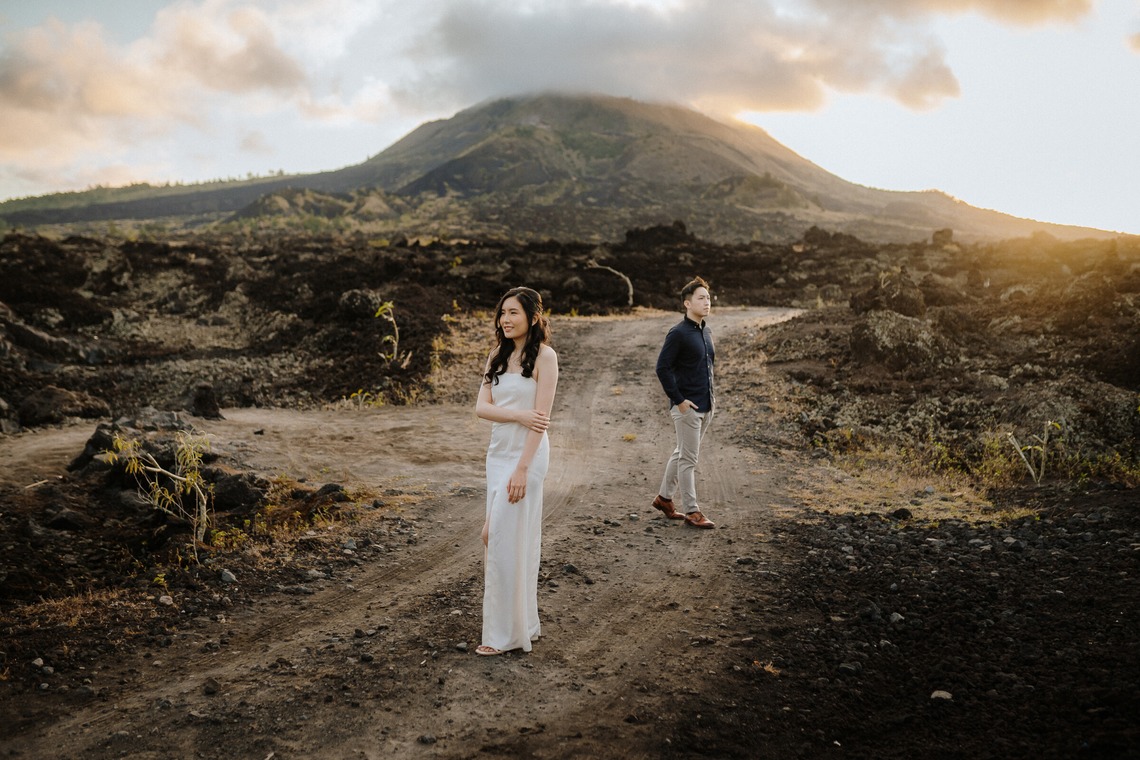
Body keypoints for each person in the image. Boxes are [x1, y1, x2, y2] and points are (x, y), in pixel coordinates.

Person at [474, 286, 559, 655]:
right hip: (497, 454)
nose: (505, 320)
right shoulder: (496, 355)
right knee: (495, 535)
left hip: (528, 454)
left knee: (507, 537)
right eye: (502, 313)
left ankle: (502, 637)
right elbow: (481, 407)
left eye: (514, 313)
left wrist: (523, 469)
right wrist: (516, 415)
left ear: (533, 317)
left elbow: (540, 422)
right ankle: (524, 625)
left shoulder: (545, 357)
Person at [653, 277, 716, 529]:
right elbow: (662, 368)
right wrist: (678, 400)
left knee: (682, 453)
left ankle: (664, 498)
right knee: (689, 459)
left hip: (706, 405)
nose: (707, 302)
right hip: (687, 407)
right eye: (701, 298)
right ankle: (692, 511)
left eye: (708, 298)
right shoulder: (678, 333)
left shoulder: (707, 331)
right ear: (687, 304)